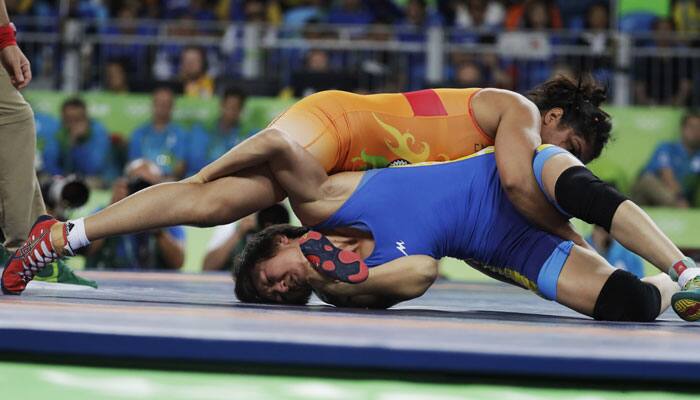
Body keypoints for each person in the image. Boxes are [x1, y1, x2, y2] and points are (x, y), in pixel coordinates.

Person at [2, 76, 612, 293]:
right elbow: (520, 193)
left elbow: (477, 229)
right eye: (574, 151)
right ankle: (64, 236)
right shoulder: (522, 118)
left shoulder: (513, 143)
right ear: (554, 118)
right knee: (211, 199)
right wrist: (584, 247)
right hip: (338, 125)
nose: (570, 165)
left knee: (213, 205)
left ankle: (59, 237)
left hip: (353, 171)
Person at [223, 141, 697, 323]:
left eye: (271, 279)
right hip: (508, 246)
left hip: (507, 171)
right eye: (280, 296)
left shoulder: (323, 203)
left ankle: (683, 268)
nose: (283, 289)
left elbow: (277, 147)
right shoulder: (344, 291)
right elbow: (422, 272)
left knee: (584, 192)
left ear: (280, 240)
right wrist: (345, 280)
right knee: (626, 304)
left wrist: (202, 180)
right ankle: (679, 286)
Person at [84, 159, 186, 271]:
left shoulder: (169, 217)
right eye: (139, 184)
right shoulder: (102, 213)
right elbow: (88, 250)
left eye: (150, 187)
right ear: (125, 183)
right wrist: (113, 210)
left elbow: (178, 262)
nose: (142, 192)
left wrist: (159, 230)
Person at [631, 110, 700, 207]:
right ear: (682, 129)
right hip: (648, 191)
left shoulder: (698, 155)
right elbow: (666, 175)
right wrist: (679, 199)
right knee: (647, 180)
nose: (696, 132)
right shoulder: (667, 147)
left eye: (699, 128)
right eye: (692, 127)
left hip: (675, 199)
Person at [186, 86, 251, 177]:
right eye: (228, 107)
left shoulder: (248, 135)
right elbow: (194, 161)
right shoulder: (202, 129)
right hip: (200, 180)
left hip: (229, 182)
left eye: (235, 108)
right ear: (221, 105)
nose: (231, 112)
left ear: (241, 110)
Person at [203, 204, 290, 271]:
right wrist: (238, 233)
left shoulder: (287, 235)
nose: (269, 224)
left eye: (275, 217)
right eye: (267, 215)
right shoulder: (231, 225)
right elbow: (207, 268)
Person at [128, 85, 188, 180]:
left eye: (166, 104)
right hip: (142, 180)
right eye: (159, 103)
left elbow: (180, 165)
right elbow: (134, 163)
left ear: (172, 107)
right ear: (152, 105)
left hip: (168, 181)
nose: (162, 108)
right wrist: (147, 175)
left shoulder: (180, 134)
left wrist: (161, 179)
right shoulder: (139, 133)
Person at [53, 97, 114, 186]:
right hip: (65, 178)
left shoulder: (98, 131)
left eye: (77, 119)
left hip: (96, 178)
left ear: (86, 118)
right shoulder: (58, 131)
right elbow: (50, 162)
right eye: (68, 120)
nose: (73, 124)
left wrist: (78, 145)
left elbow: (94, 168)